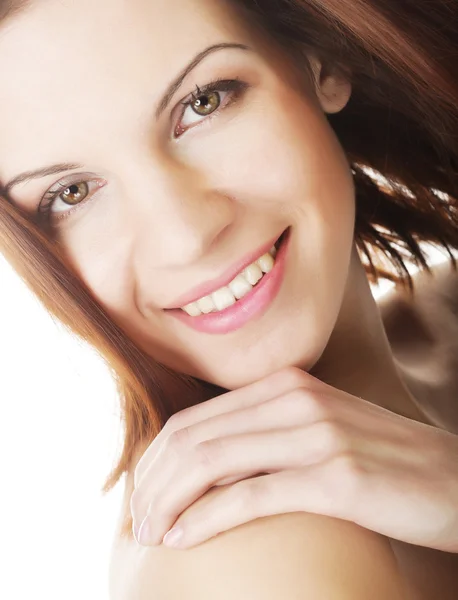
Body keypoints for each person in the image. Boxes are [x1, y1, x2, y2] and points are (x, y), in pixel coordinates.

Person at [0, 0, 457, 598]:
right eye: (72, 192)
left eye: (203, 102)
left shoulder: (441, 313)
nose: (186, 236)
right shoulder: (260, 560)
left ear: (321, 62)